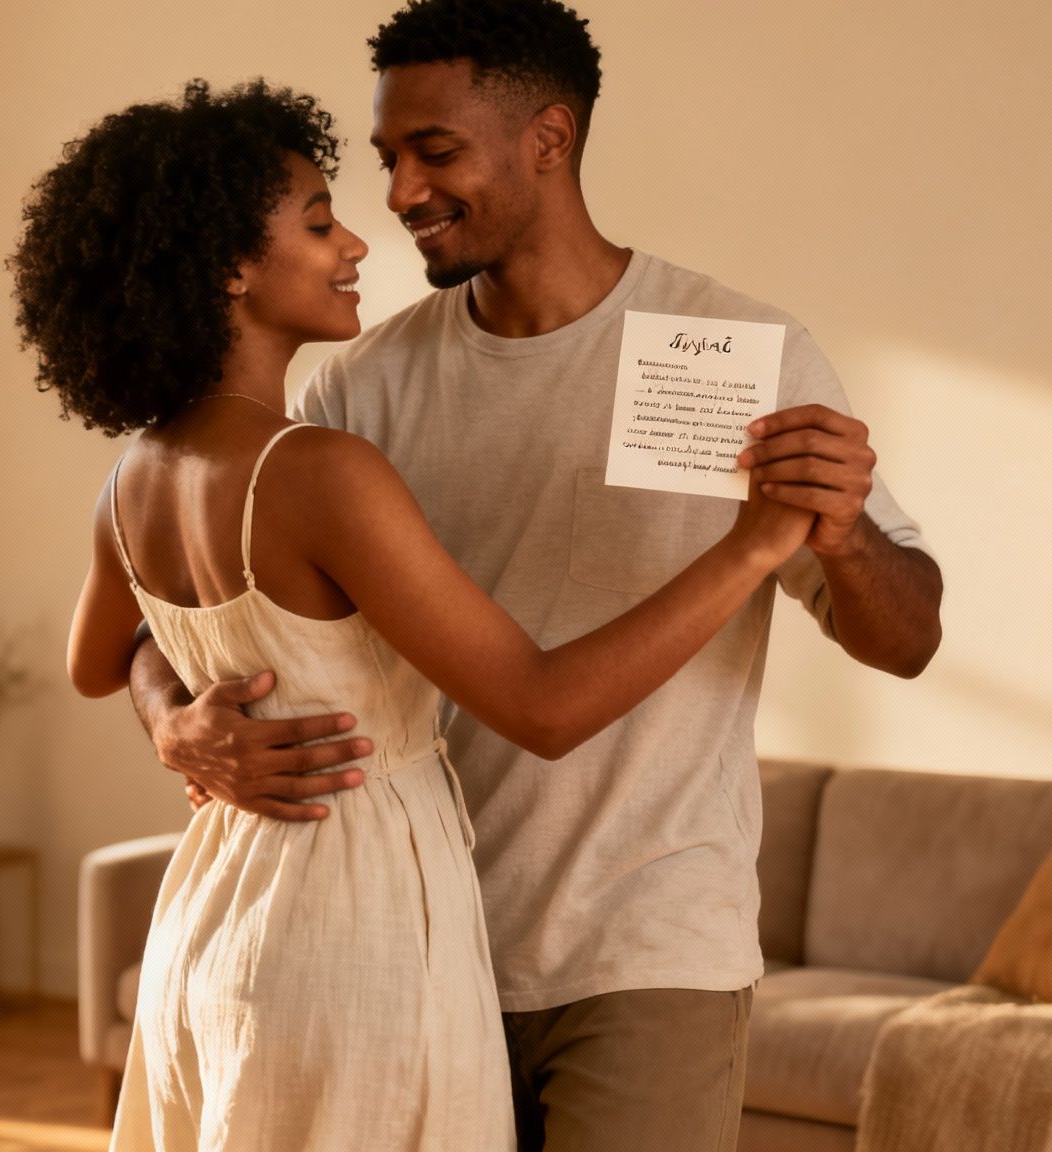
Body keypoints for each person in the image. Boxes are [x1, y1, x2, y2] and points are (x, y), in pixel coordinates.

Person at [124, 4, 946, 1151]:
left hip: (644, 945)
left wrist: (841, 537)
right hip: (418, 936)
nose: (401, 193)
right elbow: (184, 620)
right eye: (387, 160)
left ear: (548, 140)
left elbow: (906, 642)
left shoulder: (742, 353)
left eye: (436, 152)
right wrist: (173, 723)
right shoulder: (359, 387)